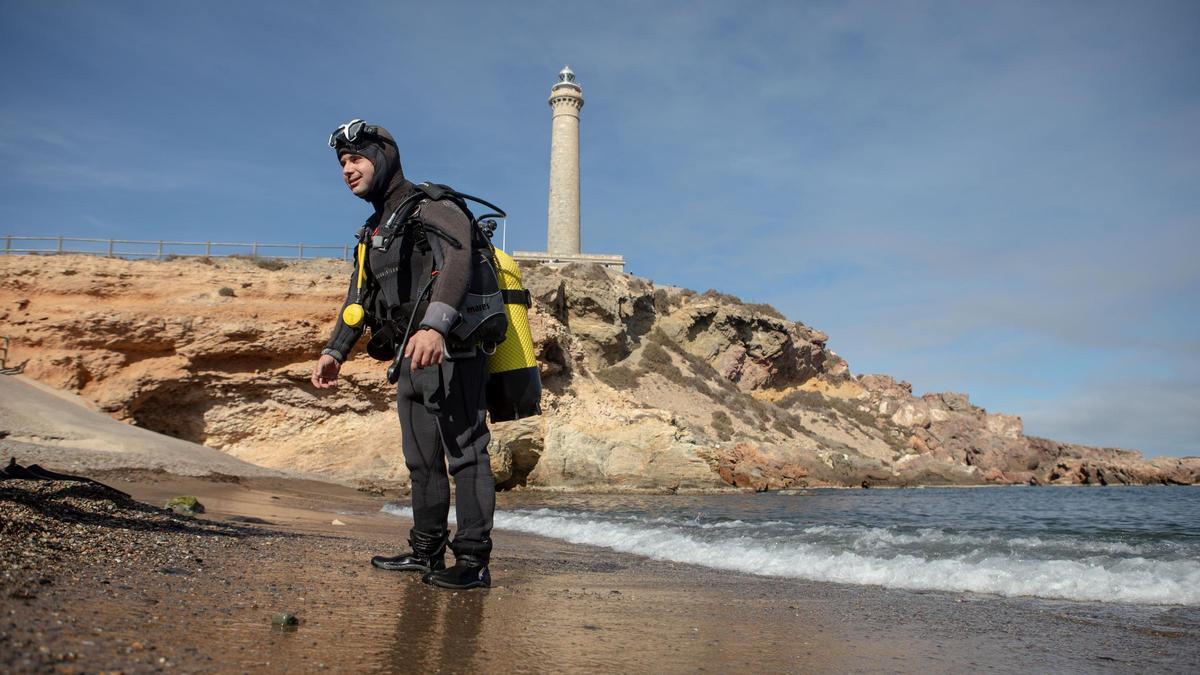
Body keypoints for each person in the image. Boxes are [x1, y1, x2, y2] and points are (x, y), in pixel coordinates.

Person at [311, 119, 495, 590]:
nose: (348, 170)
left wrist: (436, 325)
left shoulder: (432, 204)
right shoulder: (373, 231)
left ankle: (473, 565)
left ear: (384, 156)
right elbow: (358, 300)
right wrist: (336, 350)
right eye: (342, 163)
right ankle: (426, 552)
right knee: (421, 462)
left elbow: (458, 258)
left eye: (356, 158)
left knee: (467, 456)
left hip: (452, 349)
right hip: (408, 358)